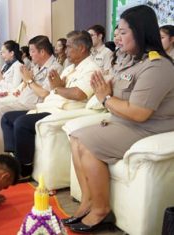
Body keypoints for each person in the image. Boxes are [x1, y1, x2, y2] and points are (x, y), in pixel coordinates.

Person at [64, 5, 174, 233]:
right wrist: (105, 89)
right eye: (118, 32)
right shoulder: (132, 60)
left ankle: (101, 209)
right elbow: (113, 89)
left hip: (147, 127)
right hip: (126, 122)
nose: (119, 38)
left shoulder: (158, 66)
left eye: (123, 32)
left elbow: (139, 113)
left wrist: (105, 98)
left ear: (141, 31)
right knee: (76, 137)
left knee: (86, 141)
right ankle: (88, 201)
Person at [1, 31, 100, 178]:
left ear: (82, 48)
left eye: (69, 47)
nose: (66, 51)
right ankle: (15, 158)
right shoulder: (70, 68)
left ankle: (24, 169)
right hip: (50, 105)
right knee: (7, 118)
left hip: (62, 110)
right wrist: (59, 85)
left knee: (22, 123)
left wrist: (58, 88)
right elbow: (61, 87)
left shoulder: (91, 68)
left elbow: (79, 94)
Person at [0, 35, 63, 157]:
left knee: (0, 111)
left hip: (33, 105)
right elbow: (26, 83)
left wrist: (29, 81)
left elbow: (45, 94)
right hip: (22, 99)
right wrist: (23, 86)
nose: (30, 54)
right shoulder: (36, 66)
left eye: (32, 51)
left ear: (42, 52)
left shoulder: (55, 68)